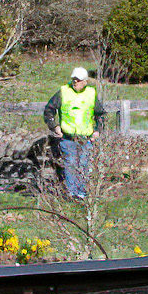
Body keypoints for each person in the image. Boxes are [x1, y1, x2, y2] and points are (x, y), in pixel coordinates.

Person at [44, 67, 98, 200]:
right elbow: (49, 110)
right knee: (71, 164)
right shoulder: (63, 92)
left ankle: (83, 194)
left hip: (87, 138)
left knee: (85, 165)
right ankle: (72, 194)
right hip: (68, 138)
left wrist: (98, 131)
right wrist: (55, 127)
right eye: (73, 80)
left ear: (85, 81)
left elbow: (100, 114)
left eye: (78, 80)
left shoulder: (92, 93)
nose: (75, 82)